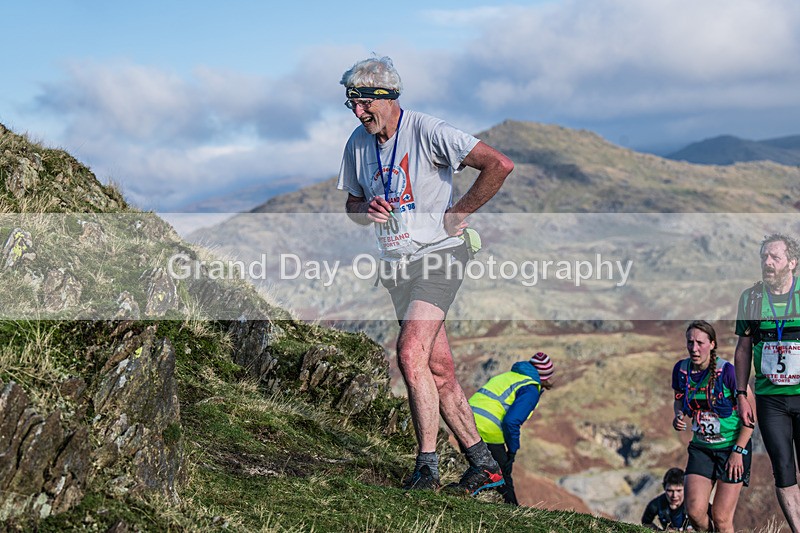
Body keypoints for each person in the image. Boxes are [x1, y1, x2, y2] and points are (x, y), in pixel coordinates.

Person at [336, 56, 514, 495]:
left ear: (388, 98)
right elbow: (352, 206)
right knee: (439, 370)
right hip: (397, 265)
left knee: (410, 352)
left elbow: (499, 165)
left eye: (362, 104)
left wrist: (460, 212)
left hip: (440, 255)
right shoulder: (357, 145)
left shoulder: (428, 131)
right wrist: (367, 210)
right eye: (350, 105)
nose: (358, 114)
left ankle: (426, 468)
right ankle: (485, 468)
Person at [735, 233, 800, 533]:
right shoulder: (751, 298)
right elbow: (743, 348)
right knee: (783, 470)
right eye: (764, 257)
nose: (768, 262)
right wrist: (741, 394)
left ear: (792, 263)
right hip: (770, 399)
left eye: (774, 257)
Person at [672, 320, 754, 533]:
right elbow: (679, 398)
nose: (694, 348)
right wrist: (678, 414)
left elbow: (750, 418)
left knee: (721, 517)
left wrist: (738, 451)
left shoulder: (728, 372)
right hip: (702, 448)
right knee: (695, 512)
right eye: (690, 342)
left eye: (700, 342)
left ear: (712, 344)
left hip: (731, 449)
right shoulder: (681, 370)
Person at [468, 352, 554, 505]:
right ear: (545, 378)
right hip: (487, 429)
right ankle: (513, 513)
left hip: (465, 420)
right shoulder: (530, 388)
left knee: (479, 467)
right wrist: (512, 451)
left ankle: (470, 497)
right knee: (502, 477)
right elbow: (511, 421)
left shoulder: (508, 376)